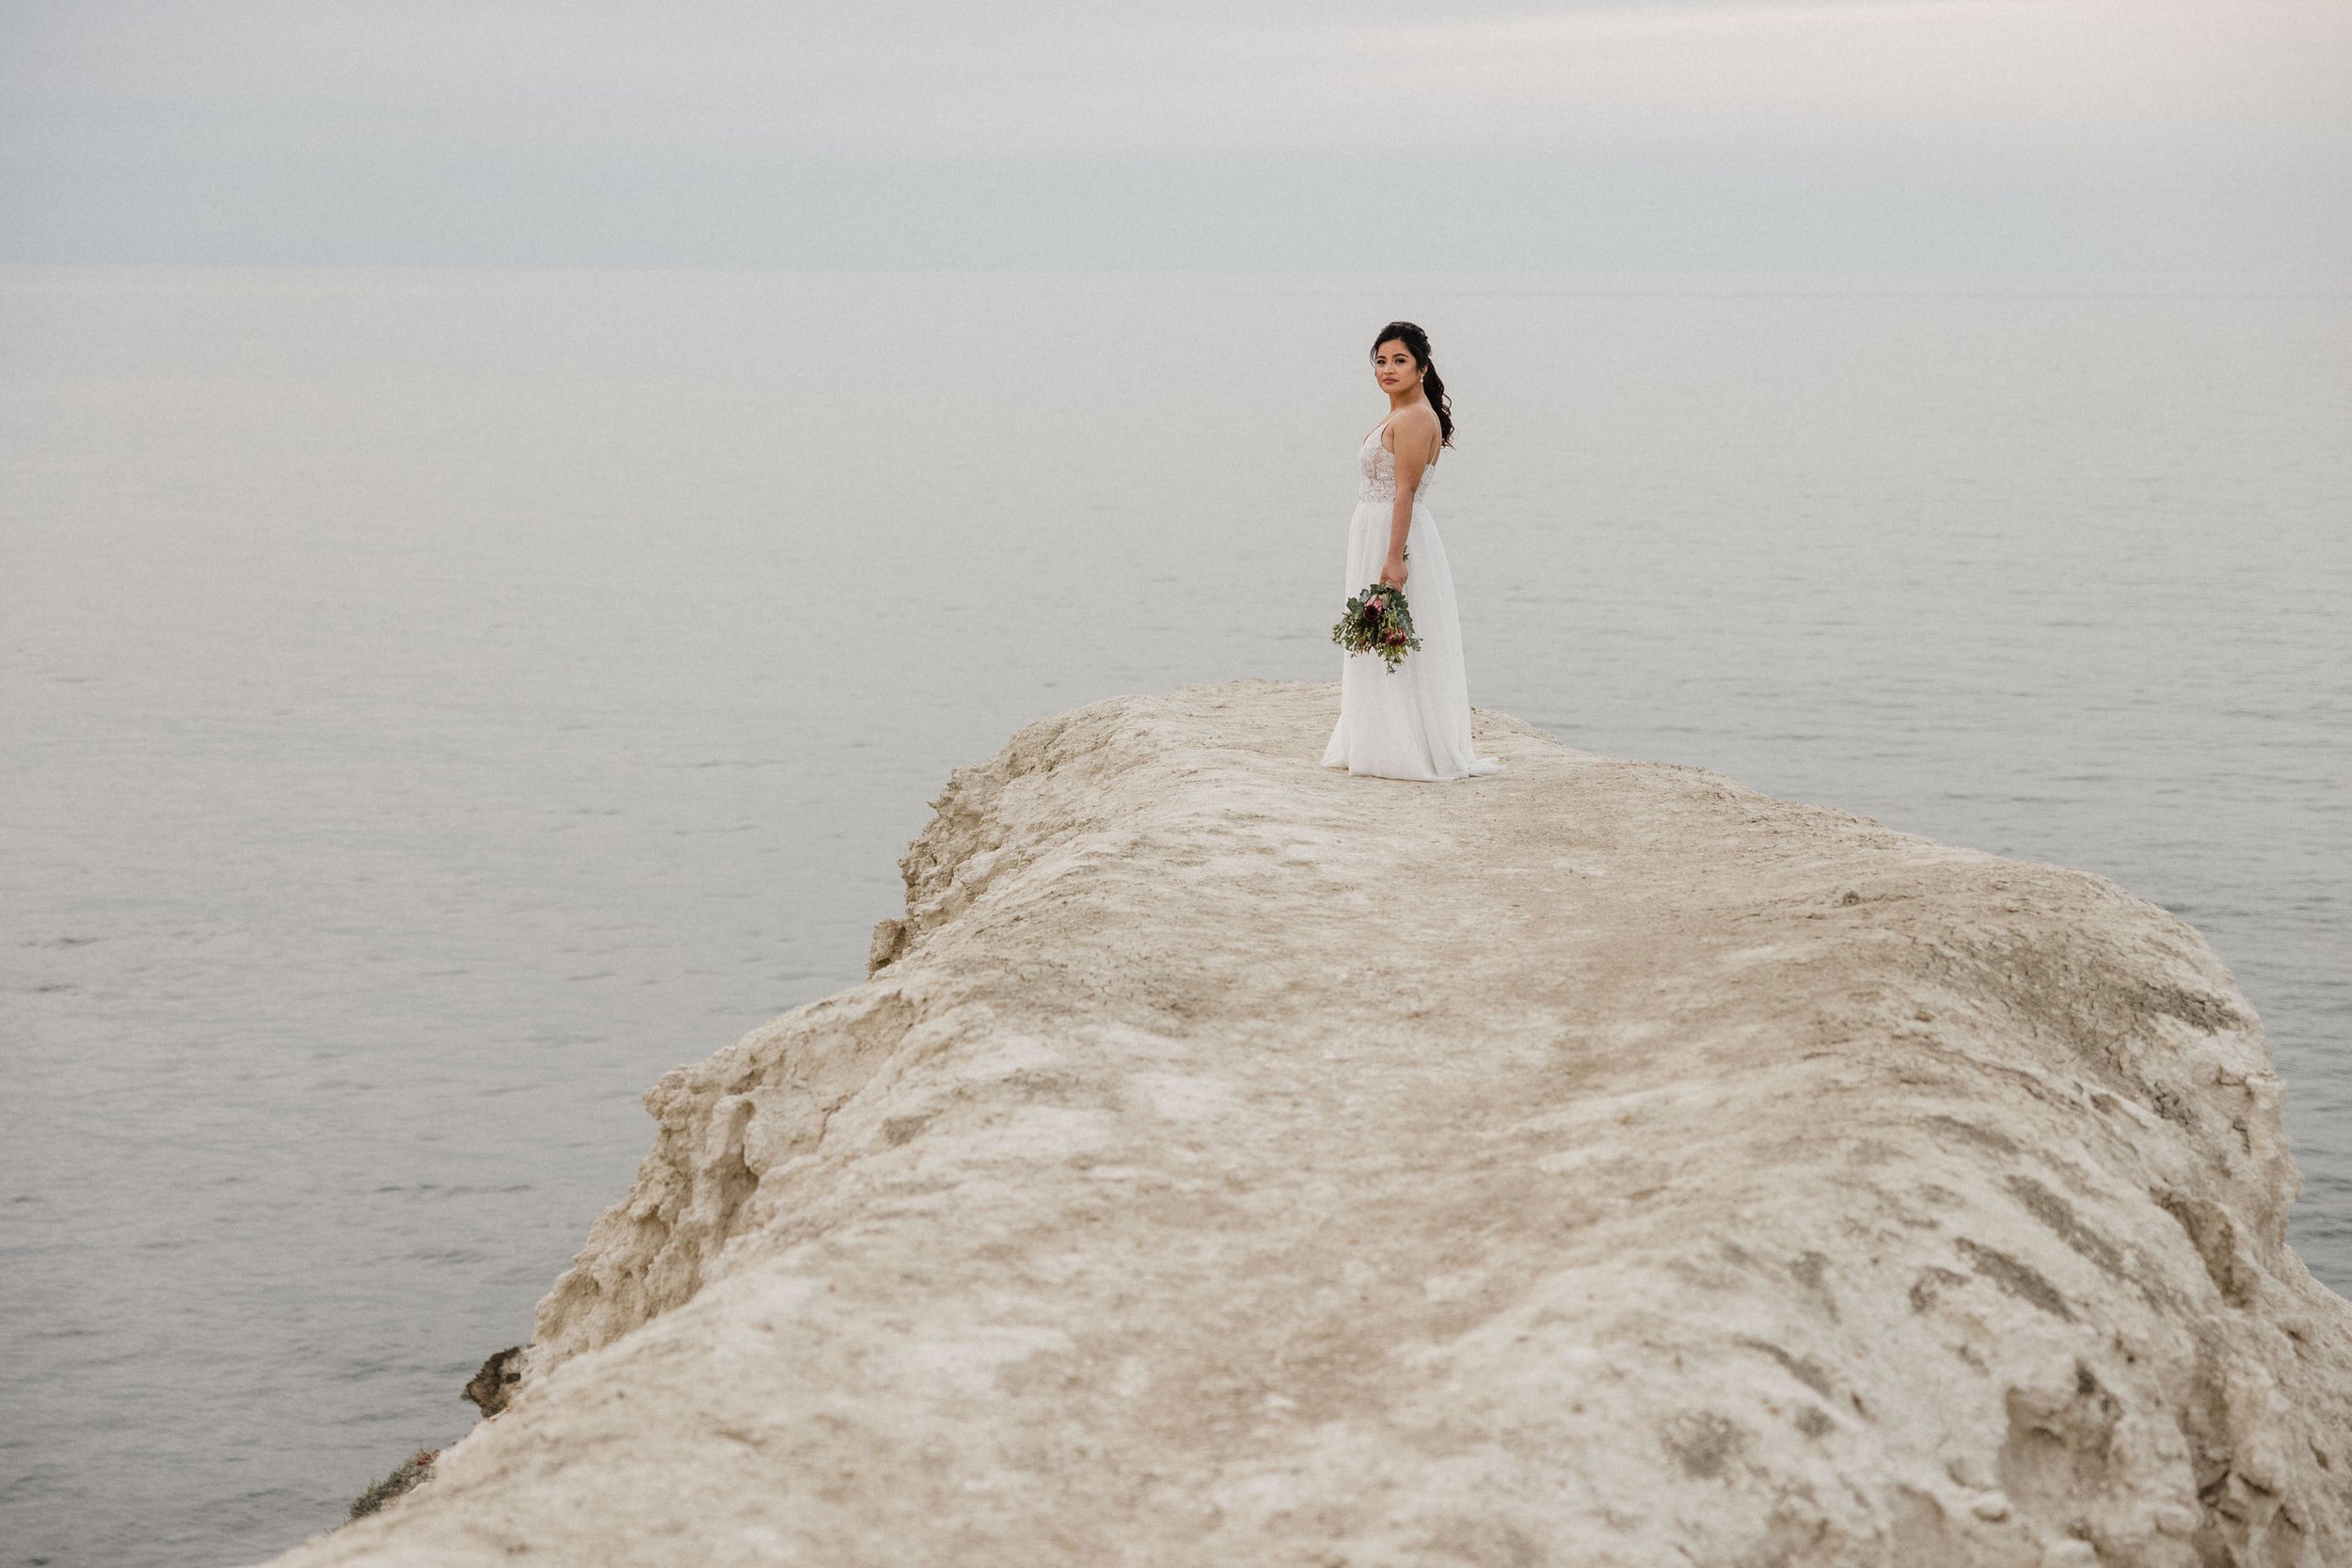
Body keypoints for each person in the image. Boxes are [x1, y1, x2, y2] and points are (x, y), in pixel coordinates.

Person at [1321, 322, 1505, 782]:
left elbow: (1404, 493)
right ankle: (1373, 735)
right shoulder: (1398, 413)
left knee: (1395, 632)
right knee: (1377, 634)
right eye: (1380, 361)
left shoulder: (1416, 417)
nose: (1388, 369)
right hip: (1375, 529)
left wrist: (1394, 557)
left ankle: (1402, 745)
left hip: (1393, 532)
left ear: (1421, 367)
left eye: (1399, 360)